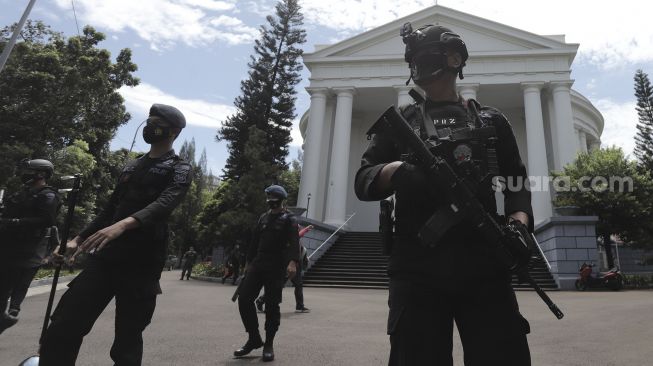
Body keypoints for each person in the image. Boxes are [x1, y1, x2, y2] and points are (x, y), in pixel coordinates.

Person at [354, 23, 534, 366]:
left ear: (454, 58)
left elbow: (517, 185)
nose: (417, 64)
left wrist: (518, 225)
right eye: (413, 59)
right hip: (416, 267)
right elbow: (363, 180)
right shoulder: (400, 125)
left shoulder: (491, 122)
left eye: (426, 56)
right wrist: (396, 172)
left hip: (484, 263)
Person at [40, 104, 192, 366]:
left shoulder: (180, 168)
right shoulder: (132, 167)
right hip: (106, 260)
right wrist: (77, 240)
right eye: (148, 120)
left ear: (174, 131)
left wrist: (124, 225)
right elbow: (110, 210)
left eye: (157, 123)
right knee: (65, 324)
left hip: (142, 264)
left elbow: (165, 204)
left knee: (127, 341)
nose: (149, 126)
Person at [234, 184, 299, 362]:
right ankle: (254, 338)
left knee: (272, 305)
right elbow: (254, 242)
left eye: (273, 199)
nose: (270, 202)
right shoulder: (263, 218)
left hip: (276, 266)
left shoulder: (289, 218)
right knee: (244, 299)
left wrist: (293, 262)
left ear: (280, 200)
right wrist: (247, 263)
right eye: (268, 199)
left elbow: (294, 241)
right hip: (258, 263)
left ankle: (268, 343)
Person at [0, 159, 60, 335]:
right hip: (7, 246)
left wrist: (14, 222)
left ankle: (11, 312)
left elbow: (47, 220)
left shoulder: (48, 195)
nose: (25, 173)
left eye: (29, 170)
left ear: (41, 174)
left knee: (16, 285)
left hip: (26, 251)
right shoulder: (21, 193)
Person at [256, 224, 313, 313]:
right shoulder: (289, 238)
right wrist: (306, 229)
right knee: (278, 286)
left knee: (298, 285)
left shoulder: (296, 240)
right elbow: (298, 236)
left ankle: (300, 306)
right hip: (287, 267)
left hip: (294, 267)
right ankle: (261, 300)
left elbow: (299, 250)